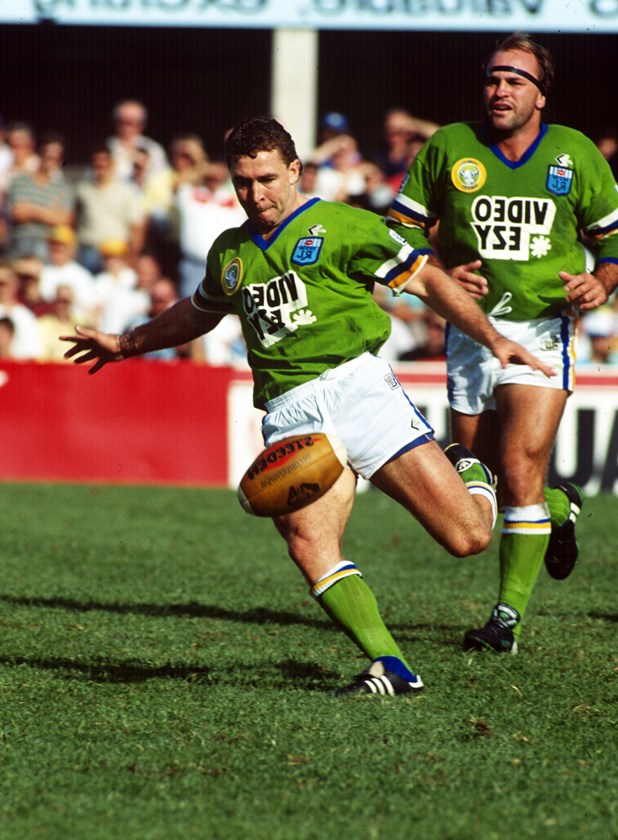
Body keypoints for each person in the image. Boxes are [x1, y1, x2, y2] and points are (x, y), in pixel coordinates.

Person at [62, 117, 553, 697]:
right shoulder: (231, 250)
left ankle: (471, 471)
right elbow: (197, 313)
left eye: (267, 178)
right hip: (289, 413)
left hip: (358, 391)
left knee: (468, 538)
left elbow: (430, 282)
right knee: (308, 542)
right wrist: (125, 344)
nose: (256, 194)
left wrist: (493, 337)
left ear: (295, 170)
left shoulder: (345, 225)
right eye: (242, 182)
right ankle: (391, 666)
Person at [387, 32, 618, 654]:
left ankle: (505, 622)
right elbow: (398, 231)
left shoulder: (575, 154)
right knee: (485, 477)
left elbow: (613, 239)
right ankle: (558, 509)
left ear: (542, 94)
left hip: (543, 329)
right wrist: (438, 269)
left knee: (516, 467)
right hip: (470, 332)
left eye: (516, 80)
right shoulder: (450, 147)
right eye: (493, 78)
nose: (500, 89)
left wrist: (601, 281)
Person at [75, 145, 146, 275]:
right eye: (97, 166)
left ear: (112, 165)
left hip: (116, 253)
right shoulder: (83, 190)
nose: (101, 170)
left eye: (104, 165)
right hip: (89, 251)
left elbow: (137, 228)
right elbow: (75, 221)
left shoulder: (127, 191)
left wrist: (131, 258)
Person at [6, 133, 75, 261]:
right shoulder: (20, 181)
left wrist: (32, 210)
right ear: (40, 155)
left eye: (56, 158)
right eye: (48, 156)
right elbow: (18, 213)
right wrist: (50, 213)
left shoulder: (64, 188)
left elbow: (64, 220)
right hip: (22, 238)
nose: (51, 161)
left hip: (48, 242)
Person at [107, 99, 168, 184]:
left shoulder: (153, 149)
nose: (126, 128)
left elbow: (161, 179)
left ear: (142, 125)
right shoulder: (107, 147)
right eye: (122, 122)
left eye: (131, 123)